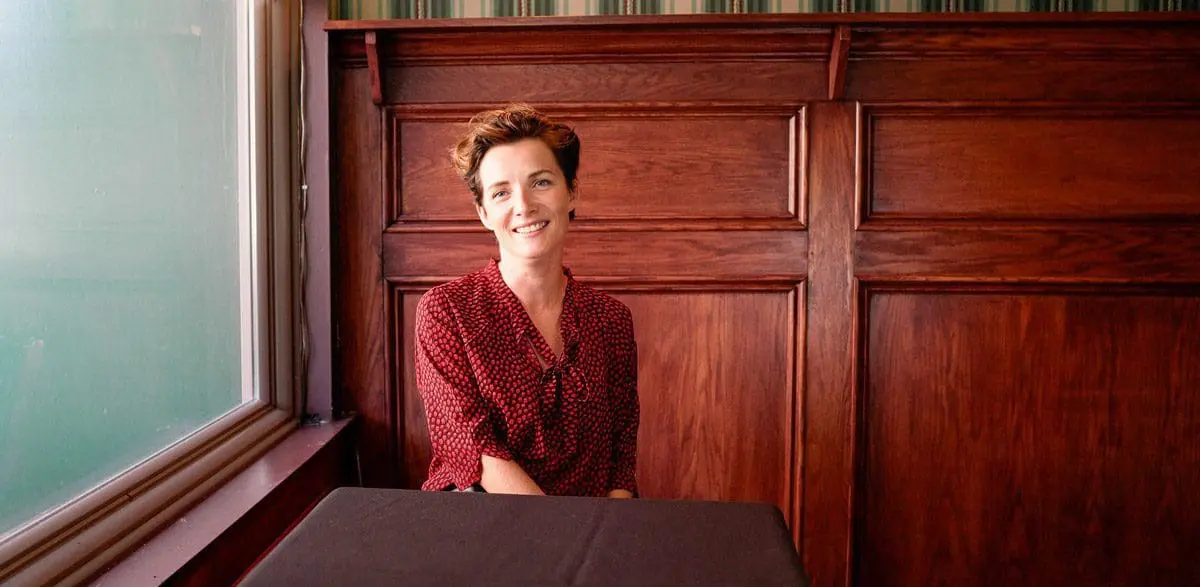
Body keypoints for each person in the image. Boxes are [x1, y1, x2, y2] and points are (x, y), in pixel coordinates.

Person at [413, 104, 639, 498]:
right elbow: (476, 450)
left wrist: (609, 529)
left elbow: (621, 460)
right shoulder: (445, 311)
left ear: (571, 192)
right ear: (484, 213)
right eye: (501, 192)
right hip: (480, 520)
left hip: (595, 524)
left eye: (541, 182)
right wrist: (564, 531)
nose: (523, 205)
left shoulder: (611, 319)